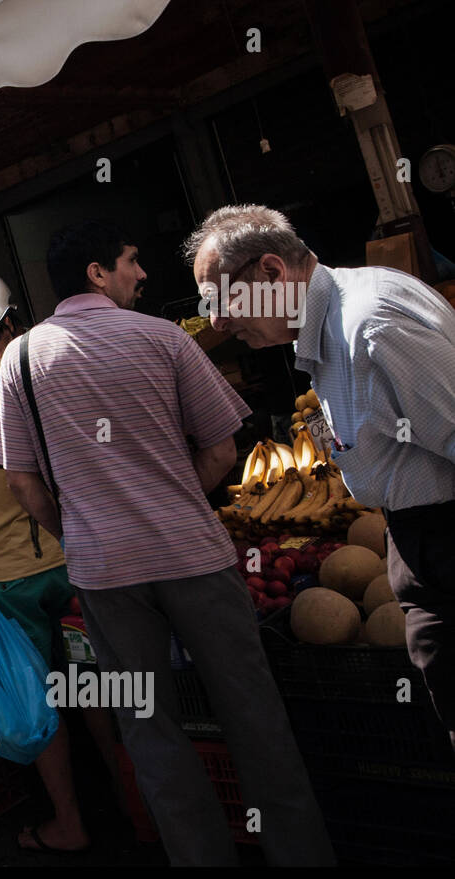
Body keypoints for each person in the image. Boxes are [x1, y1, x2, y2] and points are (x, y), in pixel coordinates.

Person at [0, 220, 333, 866]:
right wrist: (176, 499)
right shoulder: (162, 337)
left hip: (104, 577)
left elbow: (21, 481)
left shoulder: (22, 359)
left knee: (149, 733)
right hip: (193, 557)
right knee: (255, 721)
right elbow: (223, 446)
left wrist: (80, 532)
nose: (143, 274)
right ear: (97, 272)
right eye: (132, 260)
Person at [185, 204, 455, 751]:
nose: (216, 322)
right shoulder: (339, 320)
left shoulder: (371, 327)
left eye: (220, 299)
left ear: (270, 272)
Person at [0, 268, 121, 854]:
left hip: (8, 579)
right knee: (93, 686)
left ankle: (69, 822)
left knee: (41, 698)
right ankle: (133, 801)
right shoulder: (45, 367)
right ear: (11, 317)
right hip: (79, 554)